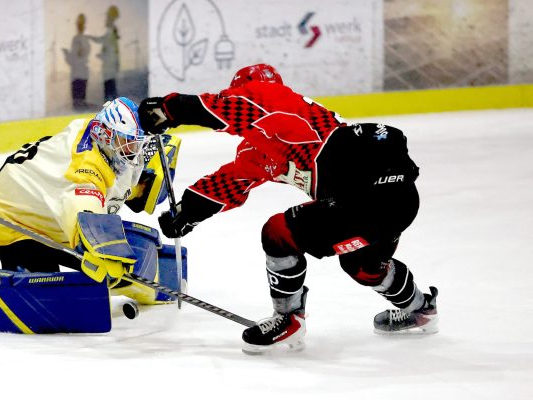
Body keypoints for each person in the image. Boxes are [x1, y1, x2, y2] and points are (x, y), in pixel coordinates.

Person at [138, 64, 438, 351]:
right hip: (394, 203)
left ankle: (288, 319)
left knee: (279, 231)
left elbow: (231, 107)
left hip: (369, 195)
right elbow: (232, 180)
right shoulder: (267, 143)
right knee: (364, 267)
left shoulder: (273, 97)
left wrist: (170, 109)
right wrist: (188, 212)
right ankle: (421, 310)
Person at [0, 97, 176, 285]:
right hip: (10, 222)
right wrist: (98, 250)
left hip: (38, 198)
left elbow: (107, 178)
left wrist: (136, 192)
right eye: (129, 142)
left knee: (126, 257)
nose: (136, 150)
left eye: (138, 142)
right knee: (50, 288)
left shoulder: (95, 132)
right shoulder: (83, 175)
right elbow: (82, 213)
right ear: (106, 135)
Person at [90, 5, 120, 101]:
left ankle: (110, 107)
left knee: (109, 88)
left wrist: (90, 37)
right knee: (110, 87)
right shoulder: (111, 31)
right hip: (110, 65)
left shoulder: (110, 31)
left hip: (109, 66)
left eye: (107, 17)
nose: (105, 19)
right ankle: (113, 106)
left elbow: (104, 43)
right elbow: (110, 48)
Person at [62, 14, 91, 111]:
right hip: (84, 74)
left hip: (77, 75)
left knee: (77, 105)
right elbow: (82, 55)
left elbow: (73, 60)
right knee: (81, 103)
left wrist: (66, 54)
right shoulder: (86, 41)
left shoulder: (76, 39)